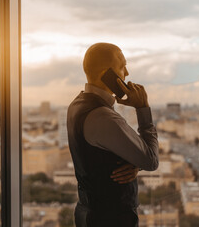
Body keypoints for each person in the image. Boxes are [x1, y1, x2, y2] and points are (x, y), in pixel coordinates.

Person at [67, 42, 159, 227]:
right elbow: (151, 160)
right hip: (110, 218)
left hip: (88, 212)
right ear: (106, 75)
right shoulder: (103, 116)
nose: (127, 73)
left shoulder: (77, 104)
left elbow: (100, 157)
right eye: (122, 66)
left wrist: (135, 163)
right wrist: (143, 109)